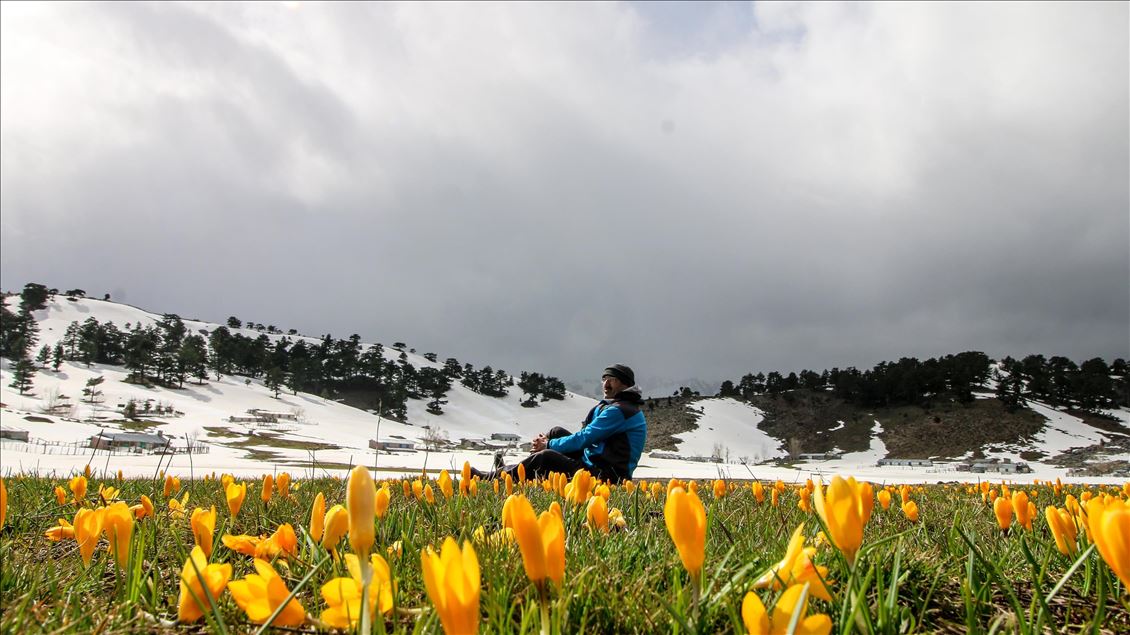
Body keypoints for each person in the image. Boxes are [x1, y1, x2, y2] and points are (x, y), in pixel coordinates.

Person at [474, 364, 647, 483]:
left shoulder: (621, 410)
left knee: (547, 456)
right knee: (556, 432)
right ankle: (516, 471)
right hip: (595, 462)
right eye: (604, 378)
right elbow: (584, 435)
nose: (606, 384)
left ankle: (494, 477)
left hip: (607, 475)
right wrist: (550, 441)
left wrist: (548, 445)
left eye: (613, 380)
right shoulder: (616, 406)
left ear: (625, 385)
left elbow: (586, 437)